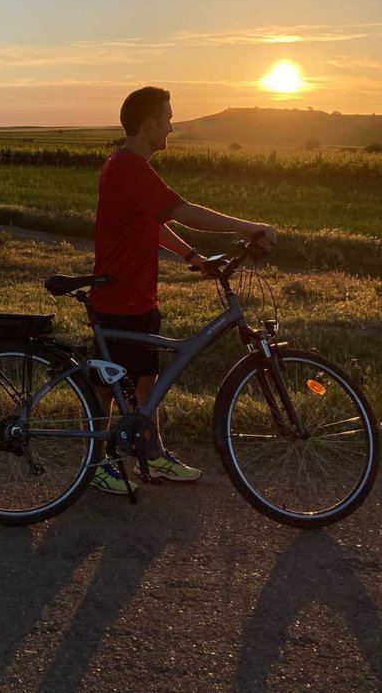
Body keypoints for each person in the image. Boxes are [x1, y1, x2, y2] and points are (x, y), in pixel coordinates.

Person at [90, 86, 276, 495]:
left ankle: (152, 454)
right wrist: (250, 227)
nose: (172, 127)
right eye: (168, 119)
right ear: (149, 124)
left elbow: (153, 223)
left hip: (139, 296)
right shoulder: (128, 168)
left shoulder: (129, 167)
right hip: (120, 298)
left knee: (147, 381)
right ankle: (96, 464)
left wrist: (193, 257)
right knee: (107, 388)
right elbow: (183, 212)